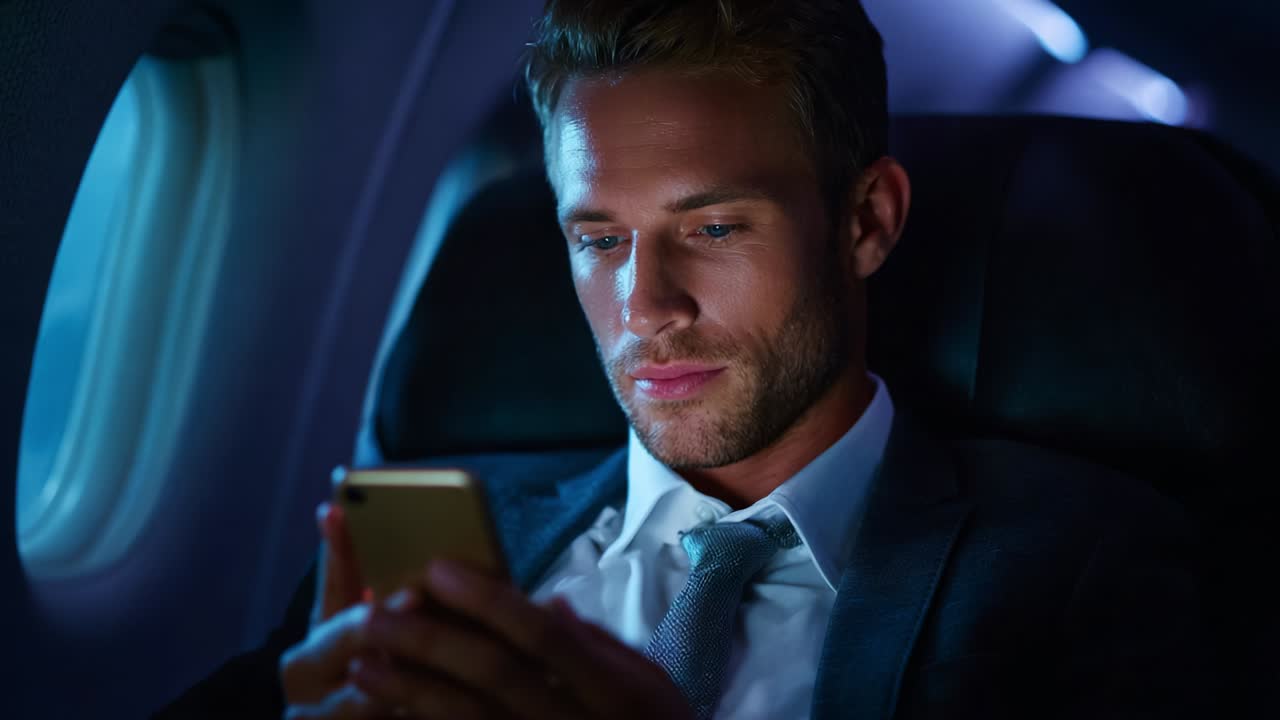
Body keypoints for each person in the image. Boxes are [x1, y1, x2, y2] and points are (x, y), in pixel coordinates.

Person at [158, 1, 1211, 718]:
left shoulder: (1083, 568)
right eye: (598, 240)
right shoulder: (430, 551)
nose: (643, 308)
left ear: (864, 221)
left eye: (711, 230)